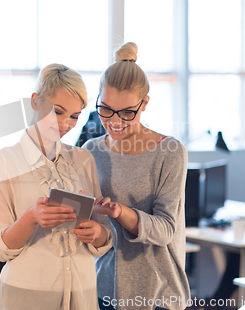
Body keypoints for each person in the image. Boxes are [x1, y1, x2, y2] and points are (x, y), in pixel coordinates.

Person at [0, 63, 114, 310]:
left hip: (83, 295)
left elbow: (105, 236)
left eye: (75, 116)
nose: (66, 123)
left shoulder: (84, 159)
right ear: (35, 102)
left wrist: (96, 233)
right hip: (27, 296)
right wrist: (31, 217)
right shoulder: (3, 160)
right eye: (57, 111)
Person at [82, 42, 190, 310]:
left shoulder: (169, 151)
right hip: (104, 289)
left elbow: (166, 230)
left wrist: (120, 212)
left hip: (157, 294)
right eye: (105, 109)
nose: (115, 121)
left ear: (145, 104)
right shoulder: (90, 151)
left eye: (128, 112)